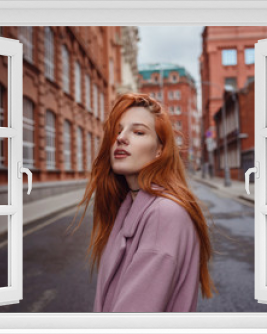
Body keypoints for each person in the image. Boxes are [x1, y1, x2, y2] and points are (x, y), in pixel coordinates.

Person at [71, 93, 217, 312]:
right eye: (118, 130)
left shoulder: (163, 214)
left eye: (138, 132)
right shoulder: (129, 205)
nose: (121, 138)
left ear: (160, 151)